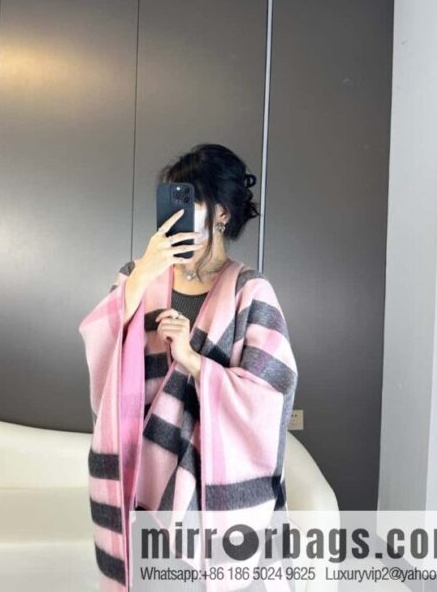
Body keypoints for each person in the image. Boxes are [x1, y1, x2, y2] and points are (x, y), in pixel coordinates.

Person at [79, 143, 298, 592]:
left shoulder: (250, 291)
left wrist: (194, 361)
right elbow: (100, 345)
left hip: (212, 486)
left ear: (221, 214)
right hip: (144, 478)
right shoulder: (139, 278)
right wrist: (144, 273)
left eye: (191, 201)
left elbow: (269, 394)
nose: (178, 214)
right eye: (172, 200)